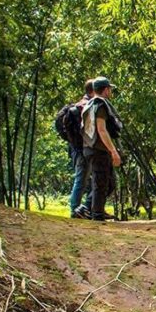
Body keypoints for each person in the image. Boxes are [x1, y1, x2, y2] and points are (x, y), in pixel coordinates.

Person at [78, 77, 123, 222]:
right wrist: (113, 151)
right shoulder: (100, 105)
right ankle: (96, 215)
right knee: (100, 182)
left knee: (108, 183)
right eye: (109, 88)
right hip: (98, 148)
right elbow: (101, 130)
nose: (110, 91)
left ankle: (88, 208)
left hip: (90, 148)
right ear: (105, 89)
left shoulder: (89, 104)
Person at [67, 79, 94, 217]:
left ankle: (82, 209)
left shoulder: (79, 105)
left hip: (76, 148)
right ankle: (75, 210)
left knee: (83, 179)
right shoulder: (85, 106)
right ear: (92, 90)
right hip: (83, 148)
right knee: (81, 180)